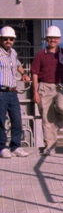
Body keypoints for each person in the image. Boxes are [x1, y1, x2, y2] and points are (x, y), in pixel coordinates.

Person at [31, 25, 63, 155]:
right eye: (50, 38)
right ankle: (50, 146)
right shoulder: (40, 54)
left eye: (55, 38)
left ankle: (60, 118)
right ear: (46, 39)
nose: (53, 40)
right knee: (47, 118)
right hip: (44, 87)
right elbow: (35, 73)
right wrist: (35, 91)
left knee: (62, 106)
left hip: (60, 86)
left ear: (59, 39)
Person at [0, 25, 31, 159]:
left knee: (17, 120)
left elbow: (17, 64)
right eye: (5, 39)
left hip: (13, 92)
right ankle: (2, 147)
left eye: (11, 39)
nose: (8, 41)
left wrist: (23, 74)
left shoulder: (13, 52)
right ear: (1, 39)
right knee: (1, 121)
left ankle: (16, 146)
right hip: (1, 91)